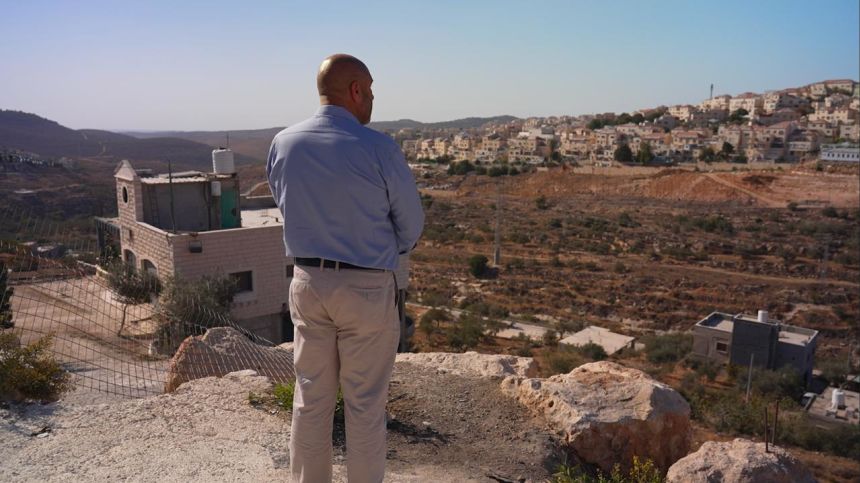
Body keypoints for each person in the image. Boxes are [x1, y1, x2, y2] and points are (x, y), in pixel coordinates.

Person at [266, 54, 424, 483]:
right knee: (365, 406)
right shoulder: (379, 148)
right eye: (370, 90)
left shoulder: (283, 143)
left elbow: (284, 204)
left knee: (310, 400)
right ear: (355, 90)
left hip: (308, 282)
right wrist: (382, 248)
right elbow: (410, 226)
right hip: (367, 289)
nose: (372, 99)